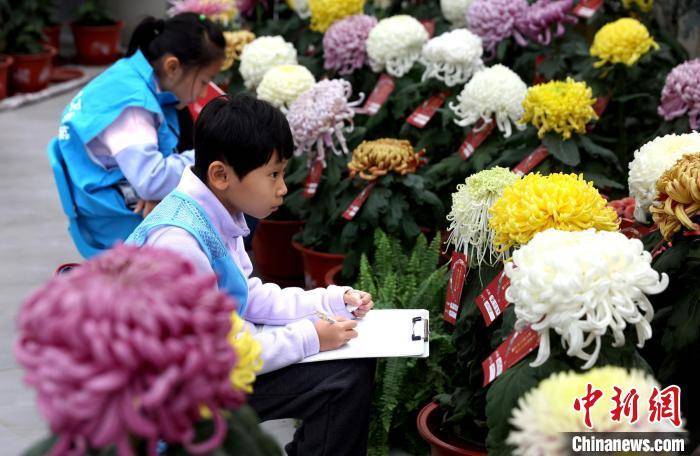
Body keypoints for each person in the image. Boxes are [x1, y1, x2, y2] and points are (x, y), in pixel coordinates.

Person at [127, 94, 376, 456]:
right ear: (221, 175)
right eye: (273, 174)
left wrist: (328, 300)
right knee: (341, 379)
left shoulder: (213, 212)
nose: (282, 187)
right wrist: (312, 338)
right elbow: (225, 355)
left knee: (346, 368)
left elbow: (247, 295)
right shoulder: (178, 242)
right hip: (172, 404)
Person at [54, 13, 225, 252]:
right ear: (173, 67)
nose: (205, 90)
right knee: (223, 206)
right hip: (115, 220)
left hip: (115, 198)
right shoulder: (133, 107)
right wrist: (211, 155)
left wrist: (156, 188)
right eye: (205, 81)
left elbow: (148, 179)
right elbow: (151, 180)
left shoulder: (131, 75)